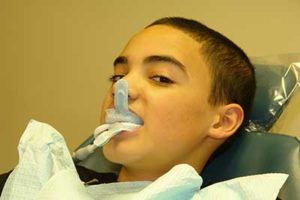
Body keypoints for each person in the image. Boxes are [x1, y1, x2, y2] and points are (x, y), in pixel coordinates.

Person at [0, 17, 256, 195]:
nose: (120, 89)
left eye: (160, 78)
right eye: (118, 76)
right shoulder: (45, 180)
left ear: (223, 121)